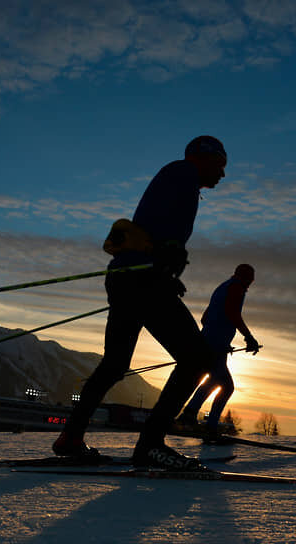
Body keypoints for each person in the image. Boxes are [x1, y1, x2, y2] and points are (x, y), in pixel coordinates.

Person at [52, 135, 228, 470]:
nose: (222, 174)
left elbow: (154, 224)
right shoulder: (183, 175)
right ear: (204, 157)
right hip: (143, 279)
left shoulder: (177, 177)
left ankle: (71, 436)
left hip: (126, 276)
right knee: (197, 359)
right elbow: (163, 227)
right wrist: (167, 255)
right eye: (220, 165)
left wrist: (164, 261)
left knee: (116, 364)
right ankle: (149, 445)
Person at [176, 264, 260, 435]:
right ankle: (204, 423)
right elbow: (232, 313)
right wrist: (248, 336)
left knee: (216, 380)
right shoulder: (236, 288)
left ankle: (193, 416)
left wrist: (217, 337)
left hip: (211, 342)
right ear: (246, 278)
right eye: (250, 279)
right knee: (226, 385)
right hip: (215, 344)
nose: (250, 284)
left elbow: (205, 318)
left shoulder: (224, 286)